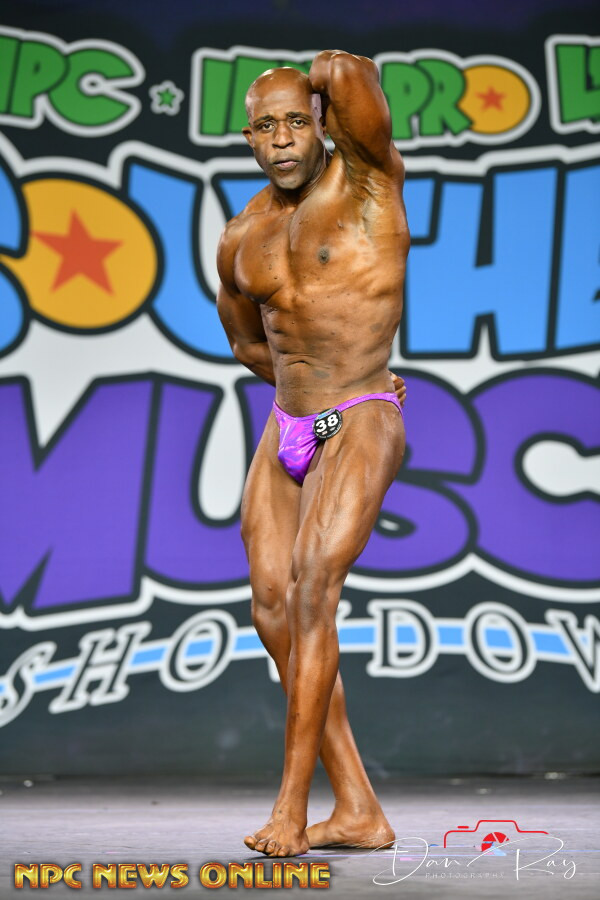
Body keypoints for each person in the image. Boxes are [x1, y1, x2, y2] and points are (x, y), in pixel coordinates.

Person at [216, 49, 409, 858]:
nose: (282, 139)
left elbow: (355, 83)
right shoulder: (241, 234)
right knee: (271, 609)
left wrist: (328, 72)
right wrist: (301, 384)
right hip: (286, 424)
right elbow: (246, 342)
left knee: (311, 593)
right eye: (265, 127)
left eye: (297, 120)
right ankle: (358, 810)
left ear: (324, 123)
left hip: (360, 413)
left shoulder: (368, 184)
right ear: (248, 139)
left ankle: (292, 810)